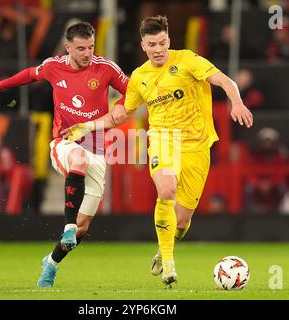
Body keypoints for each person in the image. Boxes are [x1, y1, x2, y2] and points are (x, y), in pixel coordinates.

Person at [62, 15, 253, 286]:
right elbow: (119, 115)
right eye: (152, 44)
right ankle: (169, 266)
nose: (158, 49)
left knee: (183, 221)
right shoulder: (140, 77)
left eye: (162, 43)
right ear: (143, 46)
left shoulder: (187, 60)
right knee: (166, 191)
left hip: (198, 145)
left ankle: (164, 250)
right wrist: (86, 127)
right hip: (164, 139)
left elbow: (225, 81)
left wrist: (237, 103)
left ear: (169, 41)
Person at [0, 22, 128, 287]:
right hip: (64, 143)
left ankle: (52, 264)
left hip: (98, 151)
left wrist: (122, 107)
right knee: (78, 164)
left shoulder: (106, 68)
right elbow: (28, 75)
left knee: (83, 227)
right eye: (80, 48)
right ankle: (67, 226)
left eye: (90, 47)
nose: (87, 53)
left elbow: (134, 90)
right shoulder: (53, 66)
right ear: (67, 47)